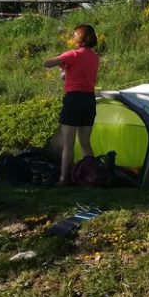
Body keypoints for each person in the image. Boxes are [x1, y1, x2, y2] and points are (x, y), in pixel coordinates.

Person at [44, 24, 100, 185]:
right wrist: (65, 70)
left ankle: (63, 178)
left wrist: (60, 59)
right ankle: (92, 175)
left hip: (74, 100)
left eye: (74, 35)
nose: (72, 37)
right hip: (89, 100)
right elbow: (78, 74)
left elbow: (47, 63)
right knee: (85, 143)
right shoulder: (95, 57)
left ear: (80, 38)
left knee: (68, 143)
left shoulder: (73, 55)